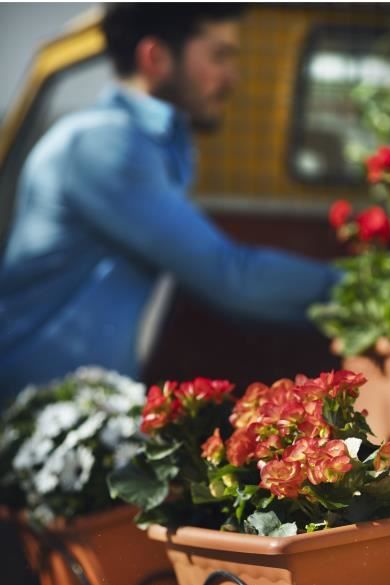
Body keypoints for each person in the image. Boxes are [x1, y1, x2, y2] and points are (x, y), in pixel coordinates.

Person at [0, 3, 340, 403]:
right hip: (30, 421)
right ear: (156, 58)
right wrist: (358, 289)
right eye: (220, 55)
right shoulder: (103, 144)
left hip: (73, 412)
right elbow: (231, 276)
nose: (233, 77)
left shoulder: (149, 143)